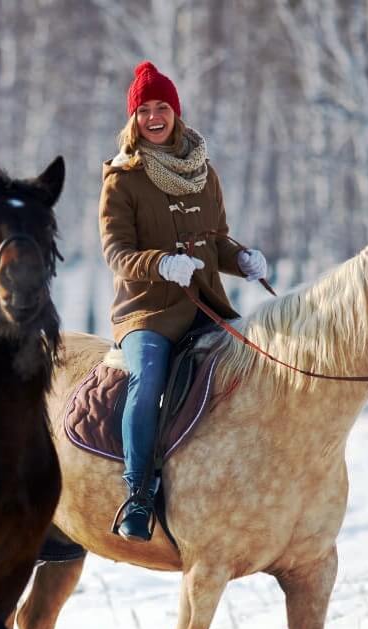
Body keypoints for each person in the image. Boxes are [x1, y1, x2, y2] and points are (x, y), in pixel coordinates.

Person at [100, 61, 269, 542]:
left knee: (254, 370)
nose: (154, 117)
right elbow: (116, 253)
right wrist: (160, 265)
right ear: (133, 118)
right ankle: (137, 493)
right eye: (145, 110)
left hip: (205, 307)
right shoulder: (122, 178)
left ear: (176, 112)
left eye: (163, 108)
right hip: (147, 312)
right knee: (148, 378)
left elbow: (216, 240)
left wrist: (244, 259)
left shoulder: (202, 170)